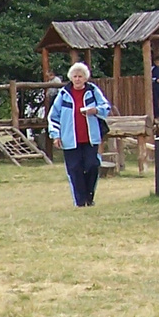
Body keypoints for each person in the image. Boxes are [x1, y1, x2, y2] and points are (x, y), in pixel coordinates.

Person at [47, 61, 110, 207]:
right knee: (75, 170)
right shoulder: (63, 94)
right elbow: (53, 116)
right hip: (70, 139)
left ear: (85, 78)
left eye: (80, 76)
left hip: (90, 138)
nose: (77, 79)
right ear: (71, 78)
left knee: (93, 165)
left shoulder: (93, 91)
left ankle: (89, 196)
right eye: (75, 76)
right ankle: (80, 201)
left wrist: (95, 110)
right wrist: (55, 135)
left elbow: (106, 107)